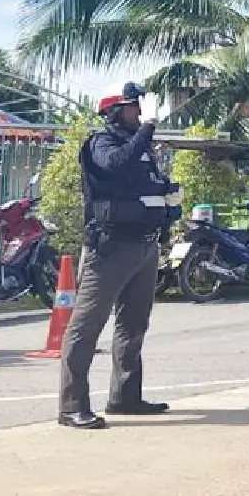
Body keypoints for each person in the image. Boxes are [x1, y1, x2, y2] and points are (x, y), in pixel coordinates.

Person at [58, 83, 180, 429]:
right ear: (114, 112)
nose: (139, 112)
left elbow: (144, 185)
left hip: (144, 245)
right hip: (110, 246)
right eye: (133, 107)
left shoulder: (141, 148)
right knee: (87, 325)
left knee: (134, 323)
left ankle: (125, 396)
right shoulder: (102, 143)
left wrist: (168, 199)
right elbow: (115, 165)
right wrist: (146, 131)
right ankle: (71, 406)